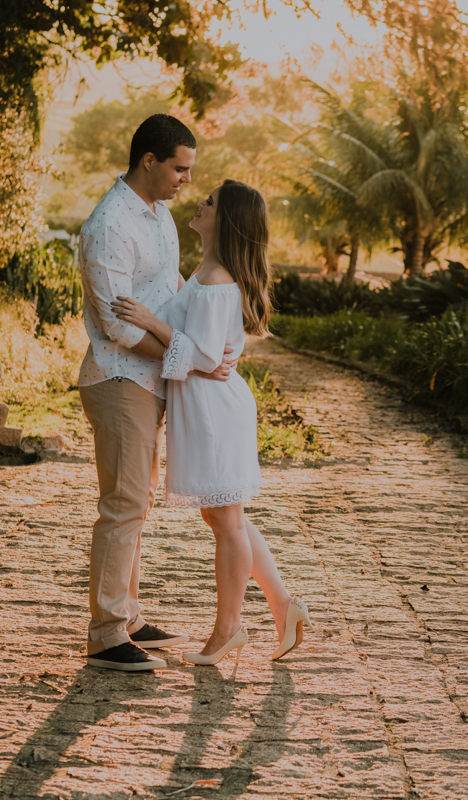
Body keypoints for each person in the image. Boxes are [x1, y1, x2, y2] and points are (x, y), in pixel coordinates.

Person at [113, 179, 312, 677]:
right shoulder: (207, 273)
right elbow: (204, 347)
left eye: (210, 202)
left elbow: (201, 355)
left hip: (214, 410)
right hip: (208, 406)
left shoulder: (218, 278)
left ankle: (229, 628)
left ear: (225, 221)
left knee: (226, 521)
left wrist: (151, 322)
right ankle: (283, 606)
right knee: (226, 518)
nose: (199, 204)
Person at [78, 114, 237, 672]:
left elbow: (169, 294)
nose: (186, 180)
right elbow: (119, 327)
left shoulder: (162, 217)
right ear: (149, 161)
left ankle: (128, 612)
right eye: (179, 168)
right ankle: (106, 634)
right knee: (123, 504)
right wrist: (188, 360)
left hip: (152, 379)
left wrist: (203, 346)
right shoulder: (108, 226)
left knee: (137, 502)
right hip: (119, 377)